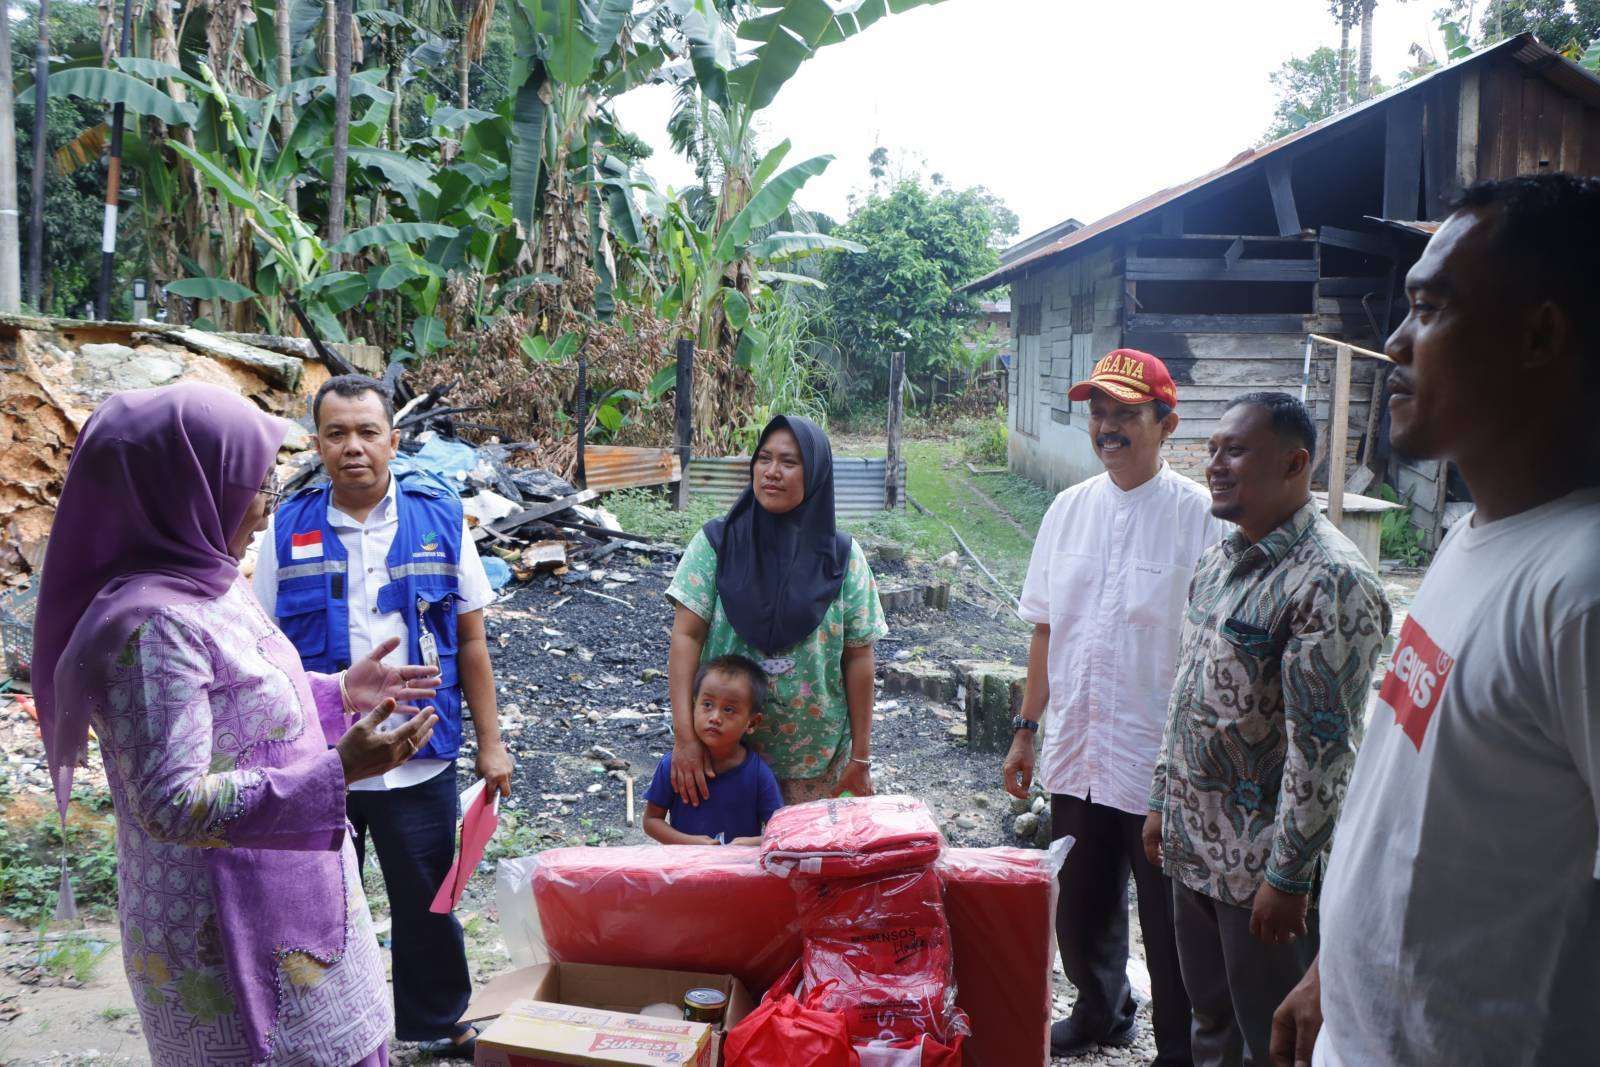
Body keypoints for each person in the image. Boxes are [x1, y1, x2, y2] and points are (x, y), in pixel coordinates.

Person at [1271, 174, 1600, 1067]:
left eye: (1431, 307)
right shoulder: (1471, 537)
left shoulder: (1580, 588)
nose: (1395, 341)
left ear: (1539, 334)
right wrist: (1333, 977)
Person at [32, 382, 445, 1066]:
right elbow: (170, 801)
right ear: (183, 491)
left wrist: (339, 689)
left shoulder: (210, 579)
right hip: (226, 935)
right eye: (253, 487)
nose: (264, 507)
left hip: (286, 902)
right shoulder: (153, 626)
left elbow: (241, 708)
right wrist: (338, 769)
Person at [253, 374, 510, 1059]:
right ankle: (322, 1025)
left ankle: (435, 1019)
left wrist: (493, 741)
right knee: (316, 901)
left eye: (368, 431)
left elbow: (473, 638)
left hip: (419, 748)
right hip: (322, 757)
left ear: (394, 440)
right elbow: (265, 650)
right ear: (318, 444)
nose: (354, 446)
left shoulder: (438, 515)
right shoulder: (286, 529)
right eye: (337, 433)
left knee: (428, 896)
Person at [1144, 392, 1390, 1067]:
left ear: (1295, 463)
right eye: (1214, 448)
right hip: (1194, 847)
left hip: (1261, 875)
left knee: (1274, 1040)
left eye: (1236, 450)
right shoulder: (1220, 560)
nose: (1215, 464)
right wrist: (1163, 797)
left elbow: (1324, 751)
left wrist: (1288, 876)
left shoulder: (1330, 581)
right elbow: (1186, 693)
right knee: (1211, 1020)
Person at [1004, 349, 1227, 1063]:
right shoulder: (1068, 510)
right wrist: (1024, 730)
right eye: (1098, 412)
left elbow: (1217, 649)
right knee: (1080, 902)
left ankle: (1178, 1047)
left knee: (1170, 924)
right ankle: (1103, 1011)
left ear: (1166, 423)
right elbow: (1045, 629)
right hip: (1079, 748)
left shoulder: (1202, 519)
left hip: (1162, 762)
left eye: (1125, 413)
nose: (1107, 426)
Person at [666, 415, 887, 807]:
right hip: (723, 760)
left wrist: (861, 757)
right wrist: (685, 740)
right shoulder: (716, 544)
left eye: (789, 462)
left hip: (817, 764)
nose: (772, 472)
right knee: (725, 863)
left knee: (809, 864)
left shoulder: (843, 558)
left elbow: (859, 657)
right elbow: (687, 636)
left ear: (815, 473)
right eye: (764, 458)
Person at [643, 655, 784, 846]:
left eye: (729, 709)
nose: (715, 717)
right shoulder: (674, 766)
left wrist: (748, 845)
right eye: (707, 705)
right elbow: (651, 821)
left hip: (738, 871)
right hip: (684, 870)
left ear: (752, 722)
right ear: (693, 707)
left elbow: (780, 832)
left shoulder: (758, 774)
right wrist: (691, 843)